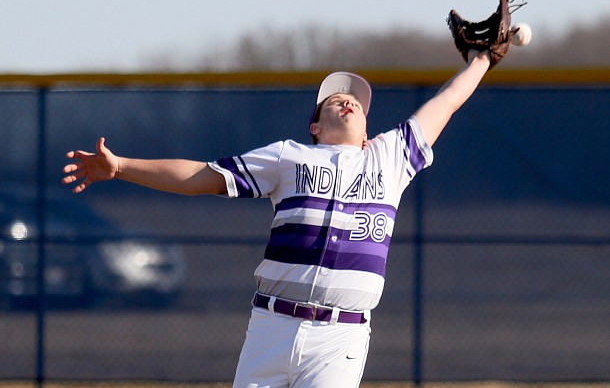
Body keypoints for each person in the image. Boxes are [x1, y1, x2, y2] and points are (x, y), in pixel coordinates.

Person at [63, 49, 492, 387]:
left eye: (356, 102)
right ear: (316, 127)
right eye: (334, 100)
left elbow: (446, 102)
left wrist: (482, 60)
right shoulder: (289, 156)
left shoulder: (390, 158)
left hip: (339, 336)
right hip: (273, 325)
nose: (346, 101)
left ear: (367, 130)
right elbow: (200, 176)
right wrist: (120, 166)